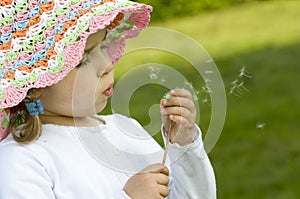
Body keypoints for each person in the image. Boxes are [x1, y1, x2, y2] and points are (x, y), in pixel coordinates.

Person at [0, 0, 216, 198]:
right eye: (82, 60)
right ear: (33, 85)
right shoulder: (21, 160)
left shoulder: (125, 128)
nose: (107, 64)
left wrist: (183, 145)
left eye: (103, 46)